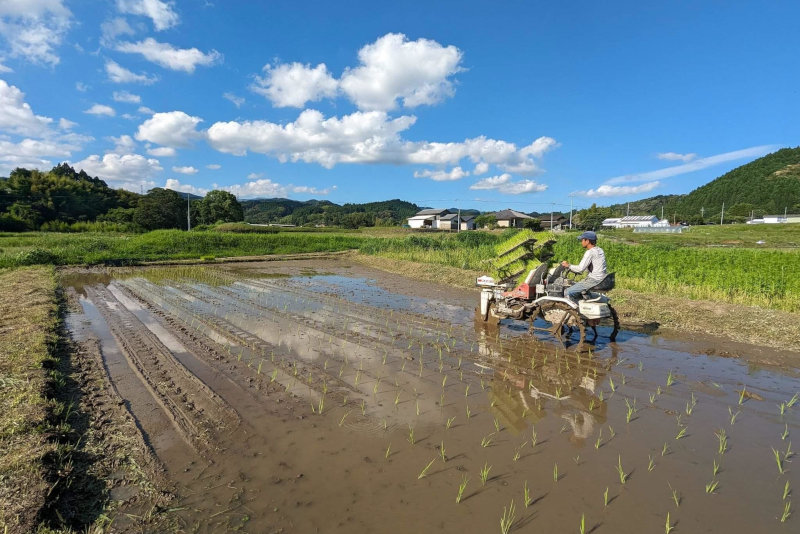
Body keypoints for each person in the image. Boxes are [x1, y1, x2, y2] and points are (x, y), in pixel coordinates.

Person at [560, 231, 607, 303]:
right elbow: (593, 266)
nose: (581, 242)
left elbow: (580, 269)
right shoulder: (600, 250)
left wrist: (568, 265)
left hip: (594, 280)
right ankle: (586, 301)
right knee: (578, 287)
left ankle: (577, 311)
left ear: (587, 241)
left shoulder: (590, 252)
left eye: (582, 240)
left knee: (567, 292)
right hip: (602, 279)